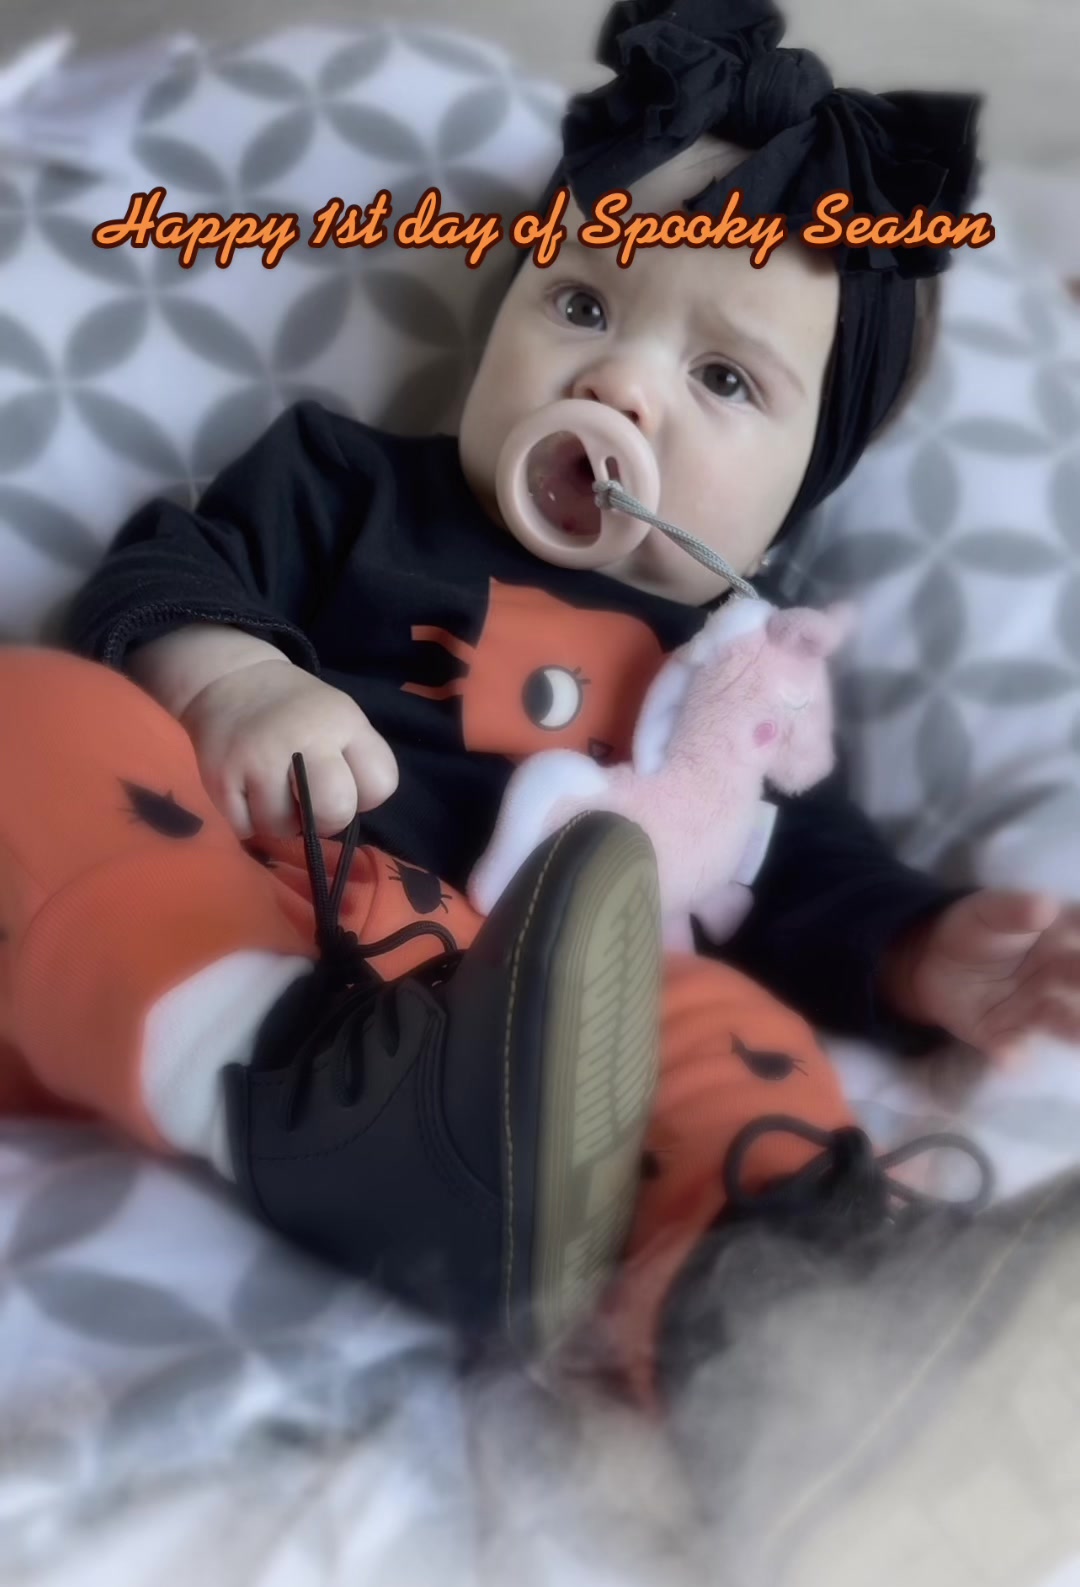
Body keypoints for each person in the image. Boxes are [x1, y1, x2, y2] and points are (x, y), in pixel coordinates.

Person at [2, 0, 1079, 1413]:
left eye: (722, 377)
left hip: (547, 1052)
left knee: (734, 1035)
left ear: (789, 505)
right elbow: (162, 576)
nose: (615, 379)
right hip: (256, 908)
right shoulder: (350, 487)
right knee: (33, 710)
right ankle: (275, 1081)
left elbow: (810, 878)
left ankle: (786, 1333)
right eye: (581, 302)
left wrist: (929, 950)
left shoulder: (728, 672)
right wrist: (240, 680)